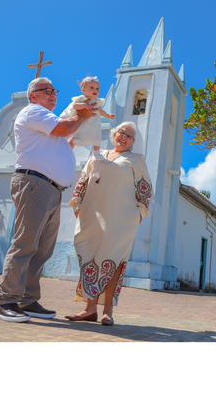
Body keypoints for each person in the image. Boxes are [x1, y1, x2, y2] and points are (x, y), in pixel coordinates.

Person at [0, 78, 94, 323]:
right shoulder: (33, 111)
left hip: (51, 190)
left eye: (54, 91)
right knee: (25, 243)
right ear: (33, 96)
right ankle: (4, 301)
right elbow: (65, 128)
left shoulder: (47, 123)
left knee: (43, 249)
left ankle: (27, 299)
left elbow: (62, 138)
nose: (53, 95)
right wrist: (83, 117)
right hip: (34, 184)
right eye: (47, 91)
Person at [63, 122, 152, 325]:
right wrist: (77, 203)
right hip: (91, 214)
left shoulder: (136, 159)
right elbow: (83, 180)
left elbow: (145, 188)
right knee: (89, 256)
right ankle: (89, 309)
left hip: (121, 219)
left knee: (114, 260)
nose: (124, 137)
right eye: (121, 132)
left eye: (129, 136)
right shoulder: (98, 155)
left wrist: (139, 213)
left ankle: (108, 311)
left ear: (132, 142)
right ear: (114, 134)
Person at [61, 75, 115, 151]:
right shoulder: (81, 99)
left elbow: (101, 111)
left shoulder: (97, 101)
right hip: (83, 121)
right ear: (83, 90)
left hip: (94, 124)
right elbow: (74, 106)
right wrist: (84, 105)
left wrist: (108, 115)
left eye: (97, 88)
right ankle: (73, 143)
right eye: (92, 88)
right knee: (79, 132)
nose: (95, 90)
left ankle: (97, 152)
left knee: (97, 137)